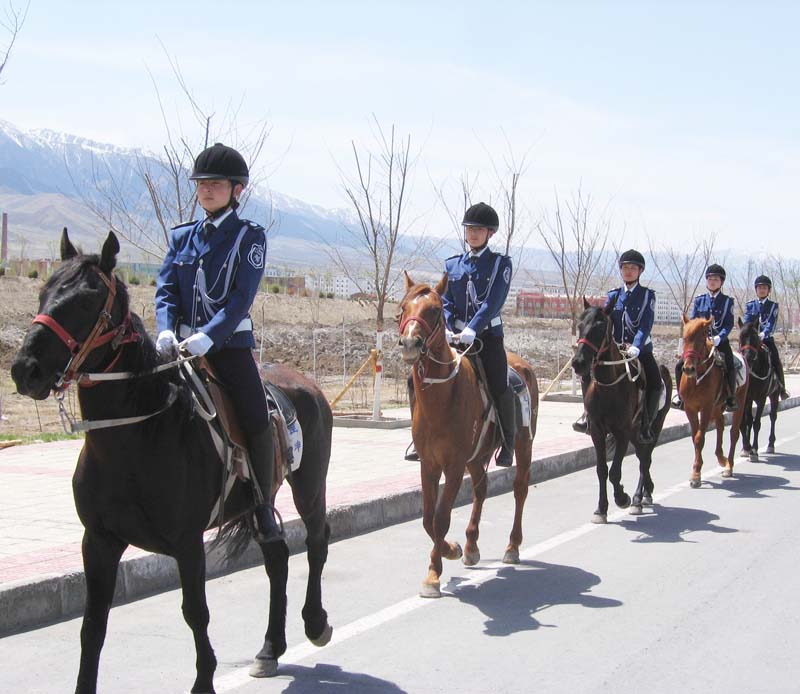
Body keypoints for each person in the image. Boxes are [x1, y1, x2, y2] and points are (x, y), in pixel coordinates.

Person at [154, 143, 281, 543]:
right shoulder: (182, 238)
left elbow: (242, 297)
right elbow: (166, 289)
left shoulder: (249, 238)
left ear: (236, 189)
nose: (206, 190)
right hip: (178, 348)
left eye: (216, 184)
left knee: (256, 415)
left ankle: (262, 505)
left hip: (228, 348)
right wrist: (165, 328)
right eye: (201, 184)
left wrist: (210, 336)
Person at [404, 202, 516, 467]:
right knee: (415, 379)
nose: (473, 234)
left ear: (490, 233)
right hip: (453, 337)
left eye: (479, 229)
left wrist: (472, 329)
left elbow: (493, 302)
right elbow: (448, 300)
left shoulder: (500, 264)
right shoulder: (453, 264)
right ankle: (418, 438)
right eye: (469, 229)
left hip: (486, 337)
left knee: (500, 383)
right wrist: (447, 325)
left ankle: (508, 442)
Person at [572, 249, 661, 443]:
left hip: (639, 350)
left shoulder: (647, 296)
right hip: (614, 349)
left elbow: (645, 324)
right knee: (587, 373)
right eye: (625, 268)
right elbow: (604, 321)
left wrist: (636, 345)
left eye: (632, 268)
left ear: (640, 271)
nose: (628, 271)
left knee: (655, 381)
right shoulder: (613, 295)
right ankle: (588, 416)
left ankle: (646, 423)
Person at [672, 263, 738, 411]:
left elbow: (728, 324)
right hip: (700, 343)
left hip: (719, 341)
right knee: (679, 365)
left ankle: (730, 397)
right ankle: (680, 396)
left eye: (716, 279)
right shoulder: (699, 300)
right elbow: (693, 322)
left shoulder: (728, 301)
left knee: (730, 364)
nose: (712, 281)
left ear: (721, 282)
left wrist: (720, 337)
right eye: (709, 279)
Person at [743, 275, 790, 399]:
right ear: (756, 289)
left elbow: (771, 323)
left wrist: (764, 333)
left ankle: (782, 388)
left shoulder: (773, 305)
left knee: (776, 360)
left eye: (764, 288)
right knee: (741, 359)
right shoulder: (750, 305)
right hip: (752, 341)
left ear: (769, 290)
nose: (762, 290)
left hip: (766, 339)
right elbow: (747, 322)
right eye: (759, 288)